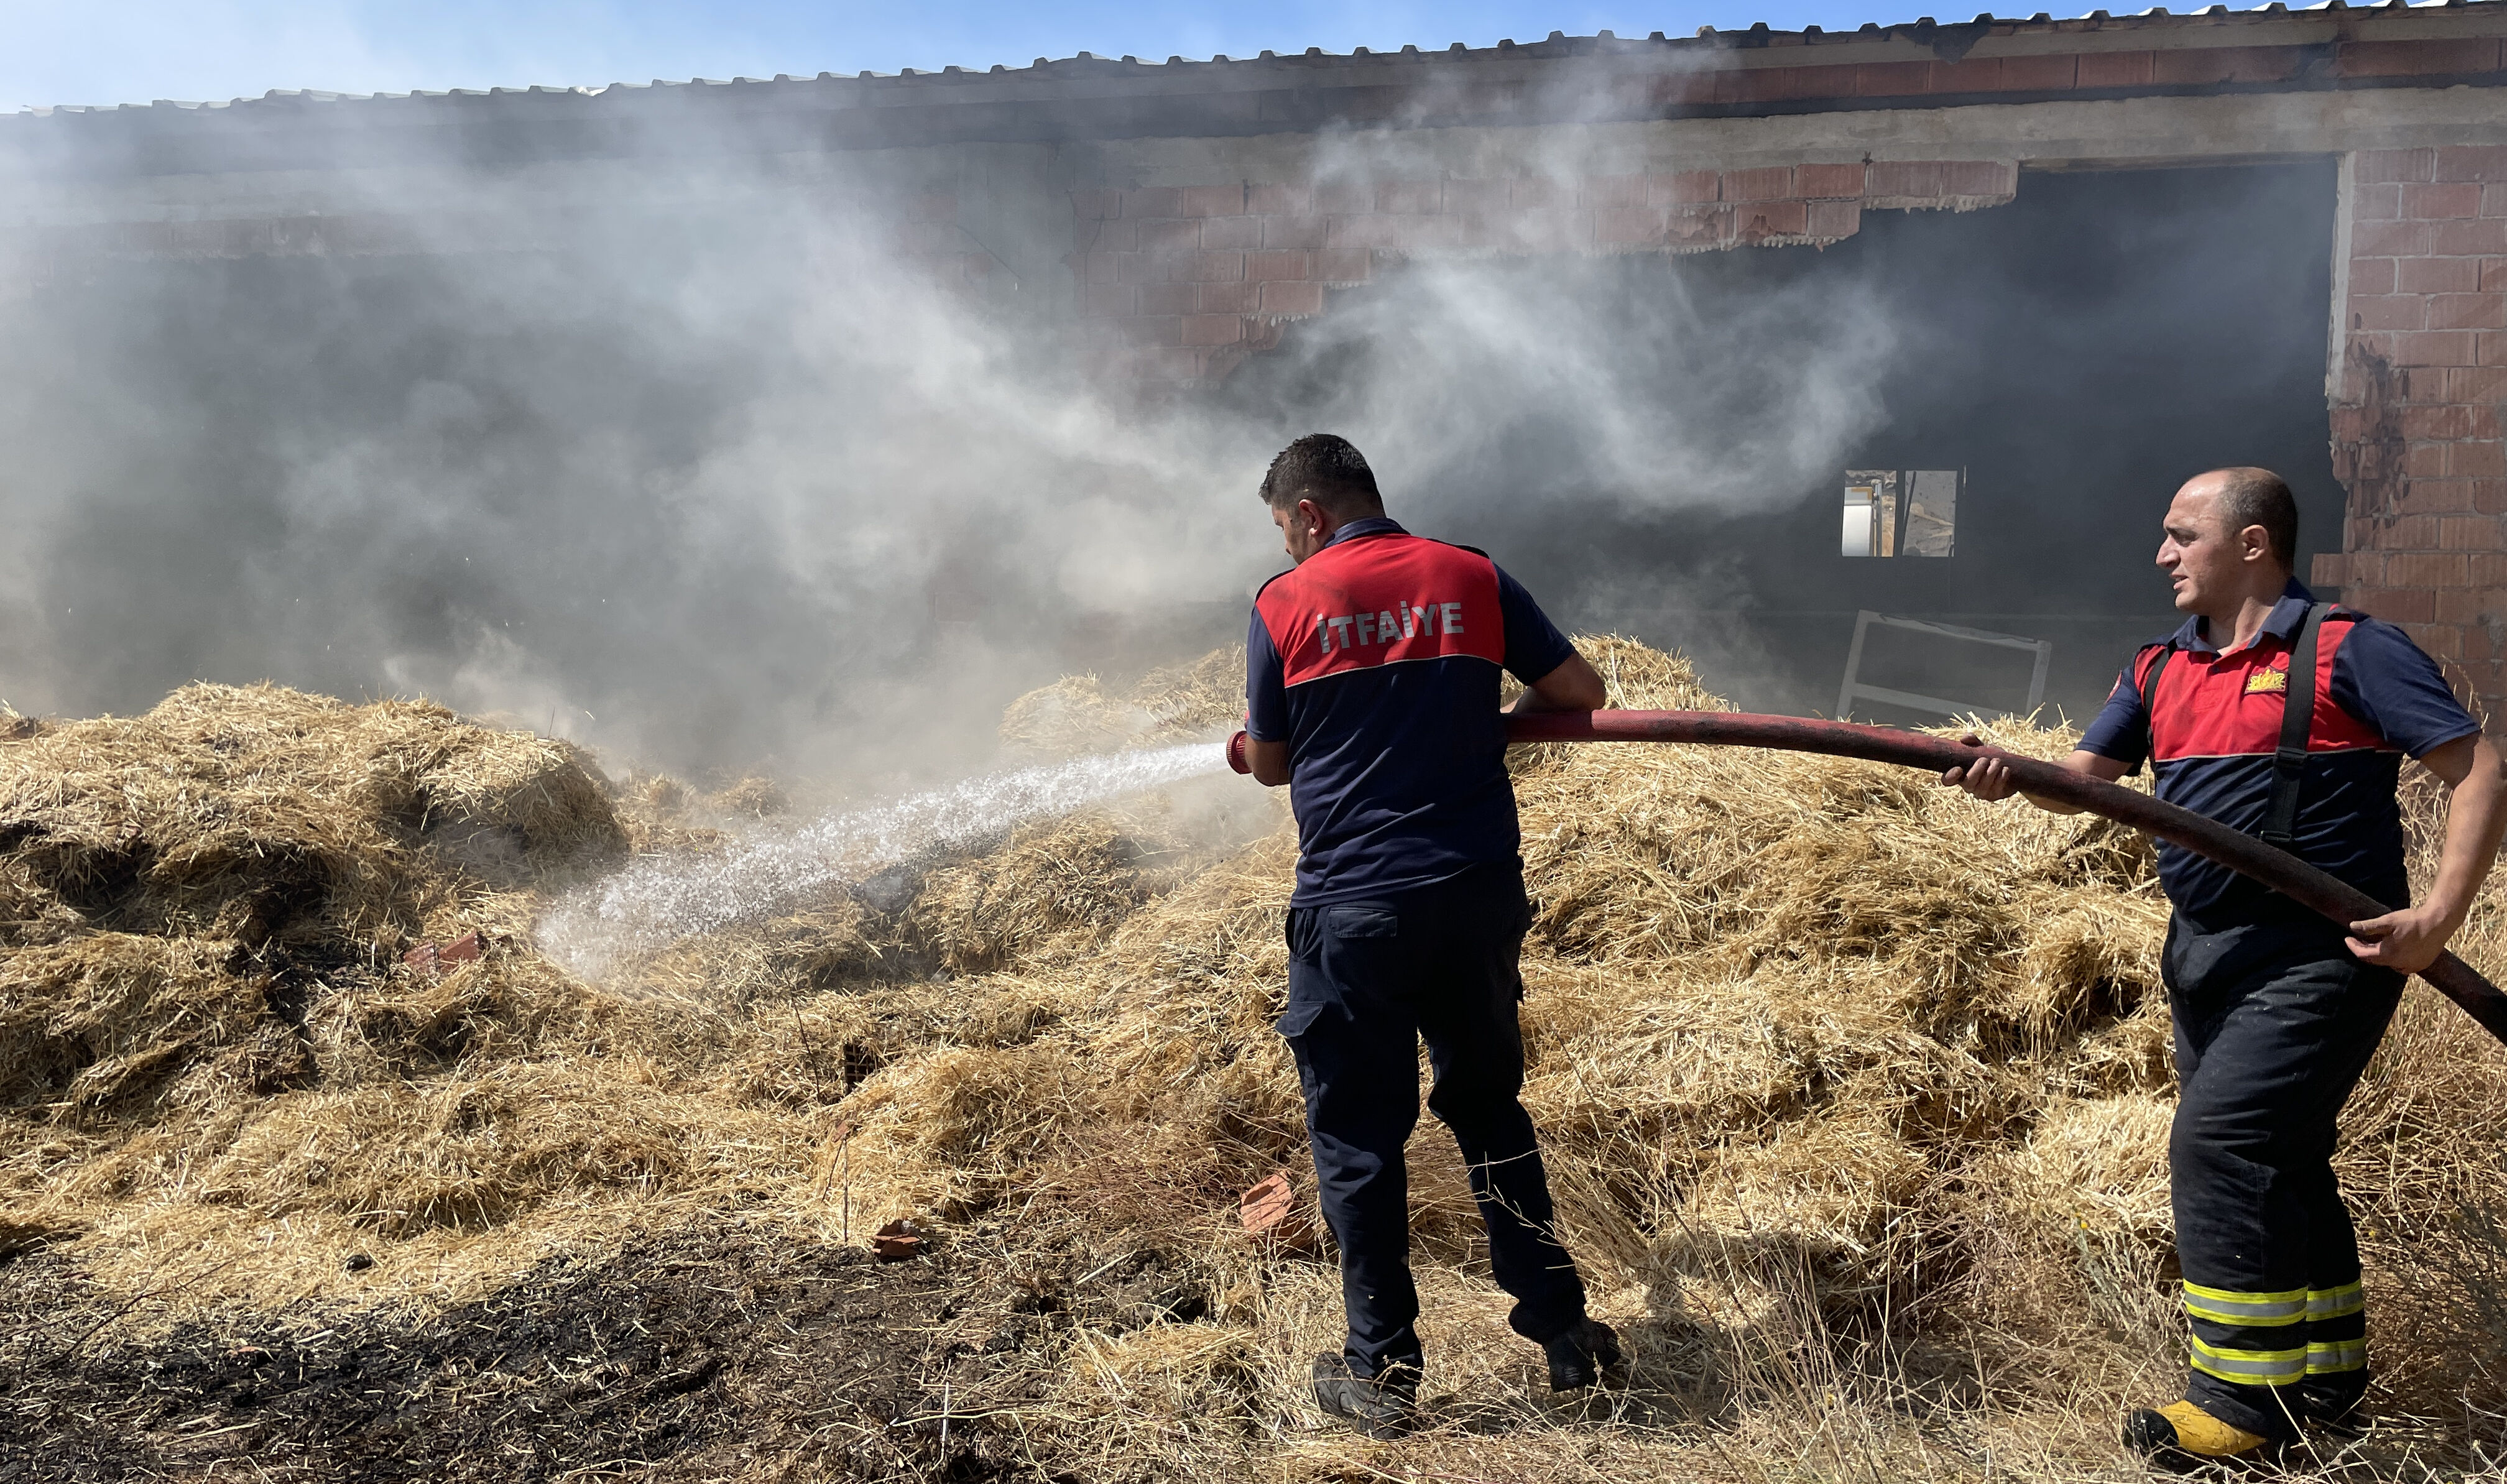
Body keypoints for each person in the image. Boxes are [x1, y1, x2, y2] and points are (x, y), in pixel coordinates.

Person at [1946, 467, 2506, 1464]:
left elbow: (2479, 768)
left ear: (2252, 545)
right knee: (2285, 1156)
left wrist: (2437, 920)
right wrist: (2006, 773)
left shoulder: (2351, 652)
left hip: (2322, 958)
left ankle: (2241, 1409)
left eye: (2181, 535)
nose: (2163, 555)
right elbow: (2082, 786)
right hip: (2203, 956)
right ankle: (2326, 1382)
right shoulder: (2158, 668)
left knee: (2222, 1146)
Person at [1230, 433, 1622, 1438]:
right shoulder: (1471, 574)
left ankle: (1383, 1376)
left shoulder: (1286, 604)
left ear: (1309, 515)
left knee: (1360, 1144)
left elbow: (1273, 764)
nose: (1285, 551)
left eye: (1284, 531)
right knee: (1490, 1109)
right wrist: (1480, 724)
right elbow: (1581, 695)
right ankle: (1567, 1337)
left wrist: (1253, 746)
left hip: (1355, 910)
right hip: (1475, 894)